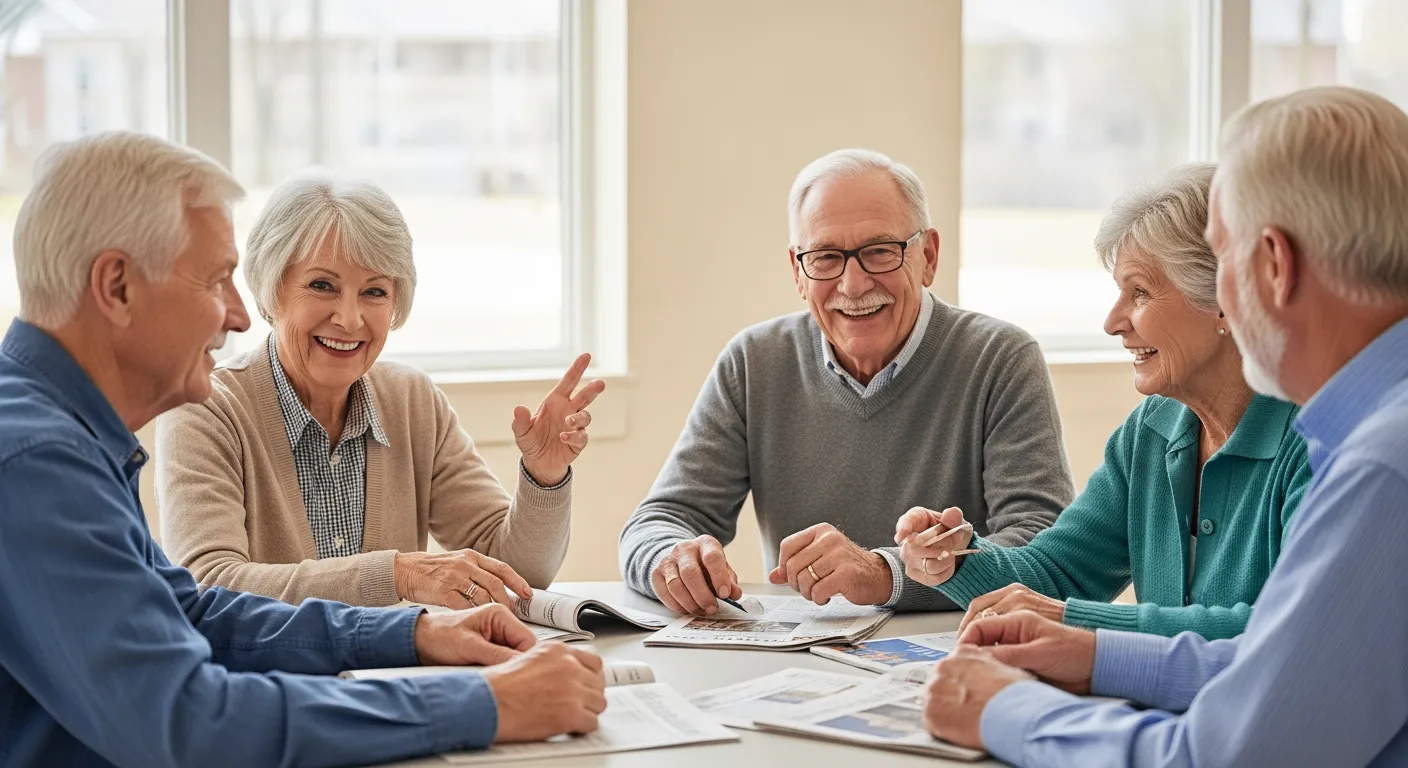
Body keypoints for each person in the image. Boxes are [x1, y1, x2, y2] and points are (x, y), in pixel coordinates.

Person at [0, 131, 606, 767]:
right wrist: (482, 704)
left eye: (374, 290)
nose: (237, 315)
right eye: (215, 282)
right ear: (117, 286)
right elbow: (189, 718)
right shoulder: (37, 461)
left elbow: (192, 610)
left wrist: (414, 631)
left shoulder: (65, 434)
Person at [922, 86, 1408, 766]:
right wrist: (1095, 655)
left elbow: (1230, 755)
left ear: (1273, 264)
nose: (1114, 320)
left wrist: (1008, 710)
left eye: (1223, 255)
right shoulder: (1368, 431)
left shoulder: (1383, 466)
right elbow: (1276, 659)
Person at [619, 148, 1075, 615]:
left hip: (958, 657)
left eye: (880, 251)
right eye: (826, 257)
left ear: (928, 256)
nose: (853, 285)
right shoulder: (754, 362)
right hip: (804, 666)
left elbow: (1045, 552)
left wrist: (883, 574)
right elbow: (658, 521)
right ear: (798, 270)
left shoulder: (1001, 359)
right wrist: (670, 559)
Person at [894, 163, 1310, 640]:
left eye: (1140, 292)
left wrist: (1074, 622)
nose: (1113, 322)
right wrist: (959, 557)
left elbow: (1284, 631)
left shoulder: (1314, 440)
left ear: (1222, 297)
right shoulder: (1152, 430)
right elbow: (1058, 573)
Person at [156, 171, 603, 609]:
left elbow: (517, 575)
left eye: (374, 292)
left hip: (399, 677)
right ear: (272, 289)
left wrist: (544, 476)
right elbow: (209, 589)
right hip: (274, 681)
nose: (350, 319)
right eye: (322, 285)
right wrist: (398, 575)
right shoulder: (204, 410)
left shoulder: (412, 401)